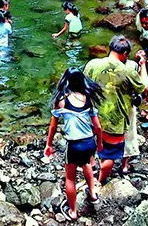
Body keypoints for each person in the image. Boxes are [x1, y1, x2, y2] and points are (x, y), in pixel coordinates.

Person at [84, 35, 148, 185]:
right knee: (109, 156)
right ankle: (99, 182)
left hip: (93, 117)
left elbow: (84, 87)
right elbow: (145, 87)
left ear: (110, 48)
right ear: (125, 54)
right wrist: (143, 65)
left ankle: (90, 169)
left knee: (93, 145)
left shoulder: (92, 64)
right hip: (115, 123)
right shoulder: (128, 71)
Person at [43, 69, 103, 221]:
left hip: (74, 145)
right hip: (90, 142)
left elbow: (53, 126)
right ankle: (93, 194)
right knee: (86, 164)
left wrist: (49, 145)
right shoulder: (88, 98)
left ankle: (73, 212)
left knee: (70, 178)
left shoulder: (62, 100)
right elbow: (98, 127)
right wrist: (100, 143)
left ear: (67, 81)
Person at [121, 58, 141, 175]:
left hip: (111, 105)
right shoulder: (132, 66)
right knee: (129, 133)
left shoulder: (104, 65)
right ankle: (124, 165)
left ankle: (106, 161)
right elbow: (142, 86)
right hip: (128, 105)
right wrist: (142, 65)